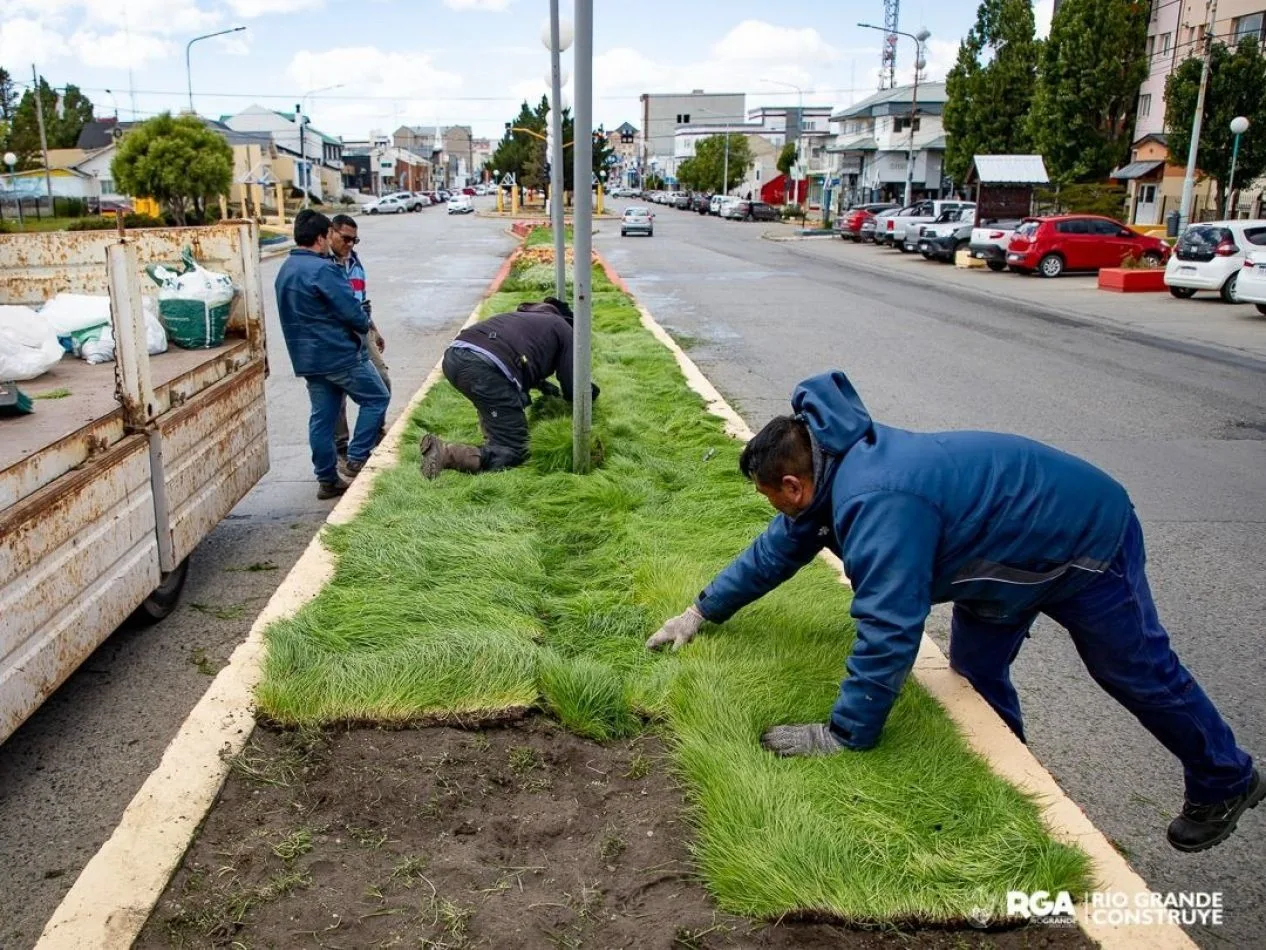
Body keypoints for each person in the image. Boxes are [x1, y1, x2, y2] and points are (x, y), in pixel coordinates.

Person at [646, 370, 1260, 854]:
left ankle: (1225, 778)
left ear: (791, 486)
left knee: (1132, 670)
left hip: (1081, 540)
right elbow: (773, 553)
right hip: (1000, 560)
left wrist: (843, 735)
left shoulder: (878, 499)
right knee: (975, 670)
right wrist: (699, 612)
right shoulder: (830, 470)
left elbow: (890, 628)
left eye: (771, 500)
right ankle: (1009, 783)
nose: (777, 515)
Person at [275, 209, 390, 499]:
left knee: (322, 420)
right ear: (320, 237)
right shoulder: (323, 270)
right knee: (377, 398)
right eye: (329, 235)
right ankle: (356, 457)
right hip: (338, 355)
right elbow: (351, 311)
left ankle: (327, 479)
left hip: (308, 360)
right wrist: (365, 322)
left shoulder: (285, 270)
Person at [420, 297, 598, 477]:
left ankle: (493, 441)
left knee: (493, 399)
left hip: (454, 357)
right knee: (515, 449)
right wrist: (591, 392)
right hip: (484, 367)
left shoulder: (526, 319)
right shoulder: (564, 328)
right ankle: (446, 453)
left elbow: (522, 356)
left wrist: (543, 386)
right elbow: (573, 387)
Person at [328, 214, 391, 457]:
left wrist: (374, 330)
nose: (350, 244)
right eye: (346, 239)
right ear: (331, 232)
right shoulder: (324, 264)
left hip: (362, 330)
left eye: (355, 240)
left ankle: (374, 432)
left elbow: (361, 299)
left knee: (382, 379)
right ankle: (343, 449)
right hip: (339, 335)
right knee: (337, 394)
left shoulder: (355, 261)